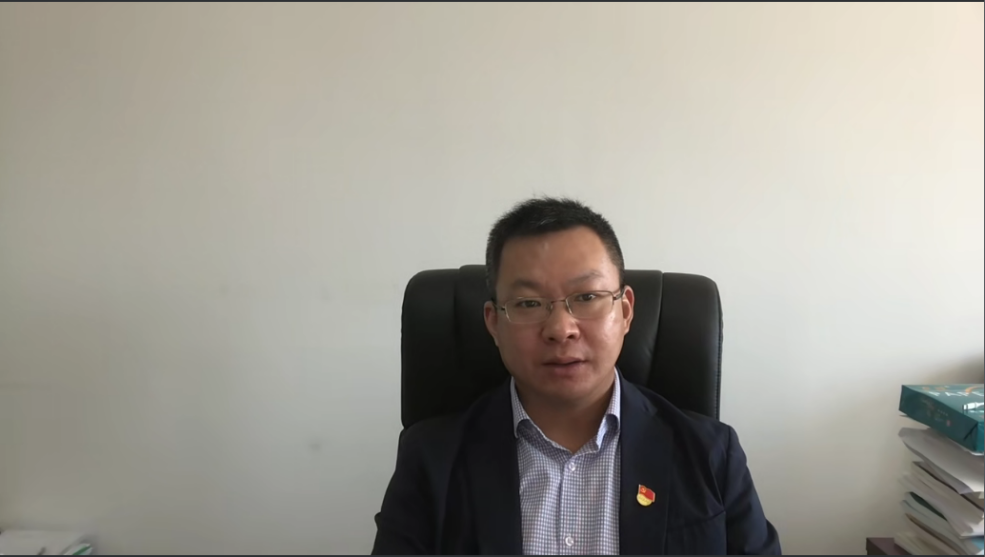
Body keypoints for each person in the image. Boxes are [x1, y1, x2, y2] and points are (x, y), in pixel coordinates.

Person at [371, 197, 781, 555]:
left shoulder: (712, 455)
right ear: (494, 323)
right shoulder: (431, 461)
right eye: (529, 303)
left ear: (625, 311)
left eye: (587, 297)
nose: (560, 329)